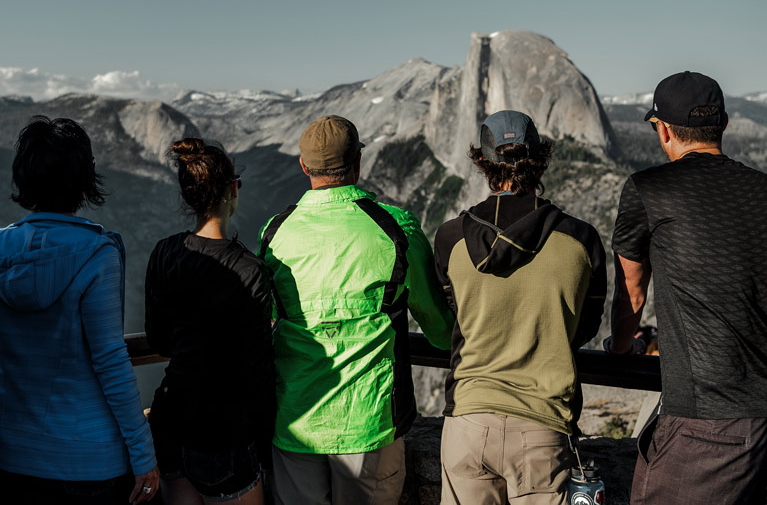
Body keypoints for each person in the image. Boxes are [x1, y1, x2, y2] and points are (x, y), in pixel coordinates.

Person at [258, 115, 454, 505]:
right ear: (358, 163)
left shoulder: (274, 233)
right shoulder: (396, 229)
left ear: (303, 166)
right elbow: (438, 328)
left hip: (295, 420)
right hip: (369, 423)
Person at [607, 71, 767, 504]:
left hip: (706, 424)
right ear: (726, 124)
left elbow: (632, 294)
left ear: (662, 130)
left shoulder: (648, 190)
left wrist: (621, 348)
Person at [434, 110, 606, 504]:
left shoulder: (450, 239)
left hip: (468, 421)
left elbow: (453, 319)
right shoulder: (581, 240)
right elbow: (585, 326)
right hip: (542, 426)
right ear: (540, 158)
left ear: (482, 161)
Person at [0, 116, 159, 504]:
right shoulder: (95, 253)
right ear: (83, 178)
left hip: (13, 455)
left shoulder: (3, 247)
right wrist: (143, 455)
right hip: (89, 461)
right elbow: (110, 360)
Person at [145, 139, 274, 505]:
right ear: (233, 190)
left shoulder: (166, 253)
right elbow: (258, 371)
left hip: (170, 422)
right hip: (223, 431)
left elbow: (158, 340)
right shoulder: (249, 270)